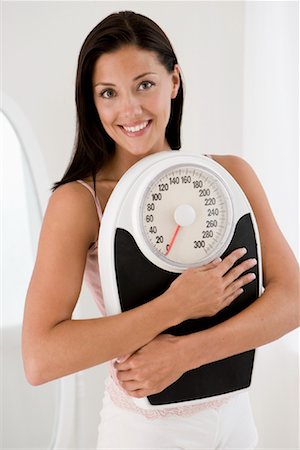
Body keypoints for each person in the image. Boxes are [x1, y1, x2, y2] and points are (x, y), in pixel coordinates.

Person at [22, 11, 299, 449]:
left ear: (174, 80)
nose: (129, 110)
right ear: (91, 102)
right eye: (108, 93)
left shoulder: (230, 177)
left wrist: (187, 352)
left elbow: (293, 298)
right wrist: (175, 306)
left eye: (144, 84)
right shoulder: (80, 202)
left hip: (236, 418)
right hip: (148, 431)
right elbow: (40, 358)